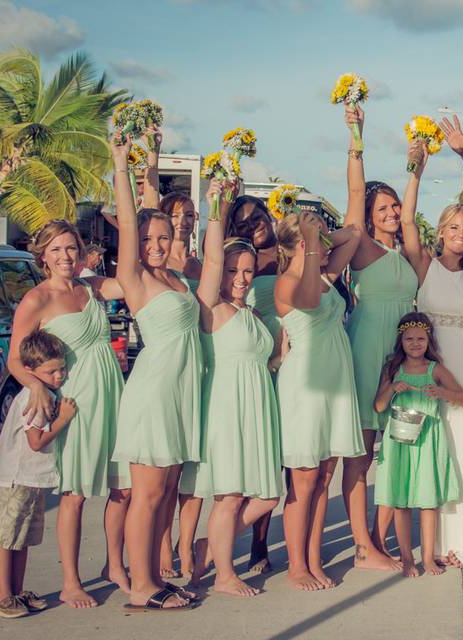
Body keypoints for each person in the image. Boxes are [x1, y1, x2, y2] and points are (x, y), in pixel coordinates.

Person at [7, 219, 131, 607]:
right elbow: (15, 358)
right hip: (74, 402)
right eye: (56, 249)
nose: (65, 256)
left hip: (112, 393)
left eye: (71, 248)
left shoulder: (91, 287)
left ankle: (115, 565)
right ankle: (71, 581)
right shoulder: (37, 299)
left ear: (81, 252)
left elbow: (127, 277)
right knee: (75, 493)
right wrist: (38, 386)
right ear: (43, 255)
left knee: (122, 488)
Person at [109, 131, 201, 611]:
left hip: (180, 393)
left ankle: (155, 576)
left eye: (164, 237)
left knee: (165, 491)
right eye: (149, 239)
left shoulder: (176, 277)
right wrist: (123, 162)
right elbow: (130, 219)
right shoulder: (137, 279)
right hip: (153, 392)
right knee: (146, 495)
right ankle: (141, 585)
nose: (158, 244)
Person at [182, 180, 283, 597]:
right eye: (232, 271)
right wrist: (216, 210)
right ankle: (224, 575)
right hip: (227, 408)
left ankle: (210, 545)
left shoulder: (250, 310)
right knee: (229, 496)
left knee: (266, 497)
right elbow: (209, 260)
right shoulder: (213, 306)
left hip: (257, 406)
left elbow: (270, 359)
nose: (240, 279)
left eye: (246, 271)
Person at [401, 187, 463, 567]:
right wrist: (419, 169)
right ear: (442, 231)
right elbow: (408, 221)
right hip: (432, 370)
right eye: (454, 227)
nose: (461, 234)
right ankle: (443, 545)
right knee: (440, 454)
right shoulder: (425, 265)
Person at [275, 211, 366, 590]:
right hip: (306, 386)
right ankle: (297, 565)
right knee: (305, 477)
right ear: (303, 246)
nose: (329, 245)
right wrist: (314, 243)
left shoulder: (327, 277)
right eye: (319, 241)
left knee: (324, 474)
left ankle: (313, 558)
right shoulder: (288, 283)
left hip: (334, 382)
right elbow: (309, 302)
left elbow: (356, 235)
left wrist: (319, 232)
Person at [342, 105, 415, 571]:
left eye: (395, 206)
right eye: (383, 207)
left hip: (402, 353)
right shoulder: (362, 246)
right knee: (365, 451)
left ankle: (379, 538)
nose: (392, 212)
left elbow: (411, 214)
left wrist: (416, 170)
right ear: (369, 217)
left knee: (401, 447)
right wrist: (356, 135)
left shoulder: (407, 249)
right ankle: (363, 544)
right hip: (369, 348)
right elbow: (353, 191)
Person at [373, 313, 463, 577]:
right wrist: (392, 388)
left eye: (420, 339)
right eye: (409, 339)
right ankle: (406, 557)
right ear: (400, 340)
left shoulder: (434, 369)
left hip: (427, 440)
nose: (415, 343)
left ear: (429, 340)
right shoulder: (392, 368)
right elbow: (379, 406)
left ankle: (427, 558)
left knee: (428, 501)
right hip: (399, 441)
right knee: (401, 500)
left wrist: (441, 392)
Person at [0, 331, 76, 619]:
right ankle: (3, 596)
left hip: (31, 478)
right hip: (16, 477)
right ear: (30, 371)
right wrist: (63, 419)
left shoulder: (47, 393)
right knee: (7, 538)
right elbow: (36, 441)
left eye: (62, 368)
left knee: (23, 539)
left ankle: (17, 591)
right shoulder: (34, 397)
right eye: (51, 371)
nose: (59, 376)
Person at [228, 194, 282, 574]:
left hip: (297, 363)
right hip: (259, 365)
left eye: (258, 216)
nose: (254, 225)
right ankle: (256, 543)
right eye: (244, 223)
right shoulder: (240, 262)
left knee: (289, 461)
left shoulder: (292, 249)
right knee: (258, 461)